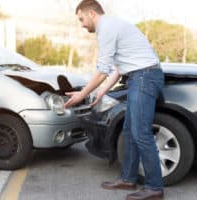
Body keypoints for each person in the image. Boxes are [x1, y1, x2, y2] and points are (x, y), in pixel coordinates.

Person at [65, 0, 164, 199]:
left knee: (141, 133)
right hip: (139, 77)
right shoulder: (114, 26)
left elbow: (102, 70)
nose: (82, 24)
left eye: (81, 19)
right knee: (129, 131)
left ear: (92, 13)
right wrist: (101, 92)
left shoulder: (106, 28)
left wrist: (82, 95)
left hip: (144, 77)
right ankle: (128, 179)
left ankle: (155, 186)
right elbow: (118, 69)